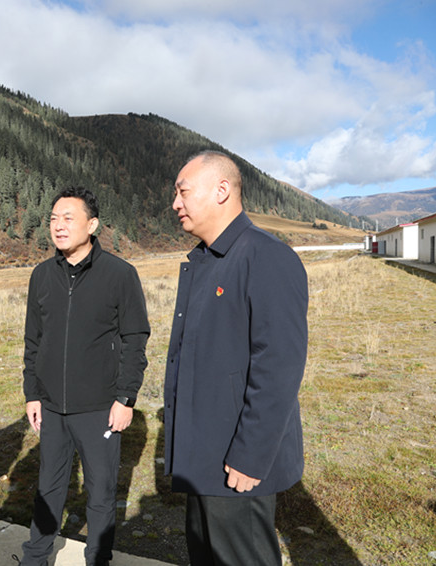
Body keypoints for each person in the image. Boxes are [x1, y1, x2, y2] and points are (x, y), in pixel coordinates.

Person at [163, 150, 308, 565]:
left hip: (235, 460)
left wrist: (250, 455)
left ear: (222, 190)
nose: (175, 203)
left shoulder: (266, 257)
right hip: (202, 456)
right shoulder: (207, 260)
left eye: (183, 191)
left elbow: (279, 367)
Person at [19, 187, 150, 566]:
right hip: (51, 407)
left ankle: (98, 559)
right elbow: (33, 340)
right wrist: (32, 393)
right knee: (48, 489)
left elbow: (135, 339)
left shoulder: (120, 275)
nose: (58, 226)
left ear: (92, 225)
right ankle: (35, 559)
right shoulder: (42, 276)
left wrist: (125, 398)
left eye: (68, 218)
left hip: (100, 408)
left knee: (101, 492)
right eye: (53, 219)